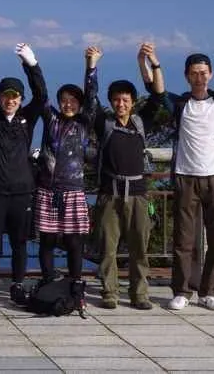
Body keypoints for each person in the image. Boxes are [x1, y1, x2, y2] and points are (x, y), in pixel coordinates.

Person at [143, 45, 214, 312]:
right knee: (184, 240)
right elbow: (157, 91)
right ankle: (182, 291)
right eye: (194, 73)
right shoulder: (179, 104)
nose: (199, 78)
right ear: (187, 76)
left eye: (203, 73)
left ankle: (208, 293)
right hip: (186, 176)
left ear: (211, 74)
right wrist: (152, 63)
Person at [0, 43, 48, 309]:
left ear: (21, 98)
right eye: (6, 96)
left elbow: (42, 95)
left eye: (15, 96)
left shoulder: (27, 117)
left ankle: (17, 285)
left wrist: (31, 64)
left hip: (22, 191)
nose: (10, 100)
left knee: (19, 242)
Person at [85, 45, 154, 310]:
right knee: (108, 248)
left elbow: (157, 97)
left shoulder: (141, 123)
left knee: (140, 248)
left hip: (137, 193)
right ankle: (109, 292)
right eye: (116, 100)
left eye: (125, 100)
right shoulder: (105, 124)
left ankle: (140, 294)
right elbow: (90, 100)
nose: (121, 104)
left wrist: (145, 62)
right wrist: (91, 66)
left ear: (133, 102)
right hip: (109, 193)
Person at [34, 47, 97, 313]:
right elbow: (40, 94)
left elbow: (92, 97)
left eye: (73, 100)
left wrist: (91, 66)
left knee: (74, 242)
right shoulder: (51, 120)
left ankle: (75, 284)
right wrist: (32, 65)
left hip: (73, 190)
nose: (68, 104)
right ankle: (49, 281)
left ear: (79, 104)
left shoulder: (84, 124)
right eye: (64, 100)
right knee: (47, 241)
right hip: (48, 190)